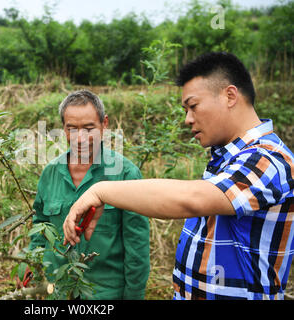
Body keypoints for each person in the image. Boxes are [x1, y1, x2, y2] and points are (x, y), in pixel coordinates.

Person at [63, 52, 294, 300]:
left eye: (193, 106)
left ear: (230, 96)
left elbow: (191, 198)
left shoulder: (269, 159)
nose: (187, 119)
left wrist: (100, 191)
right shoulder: (227, 160)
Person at [27, 89, 150, 299]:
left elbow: (136, 246)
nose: (80, 138)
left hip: (104, 294)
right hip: (57, 291)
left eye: (89, 128)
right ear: (63, 129)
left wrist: (134, 295)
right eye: (72, 129)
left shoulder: (126, 174)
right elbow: (40, 227)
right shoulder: (51, 173)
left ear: (105, 124)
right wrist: (32, 269)